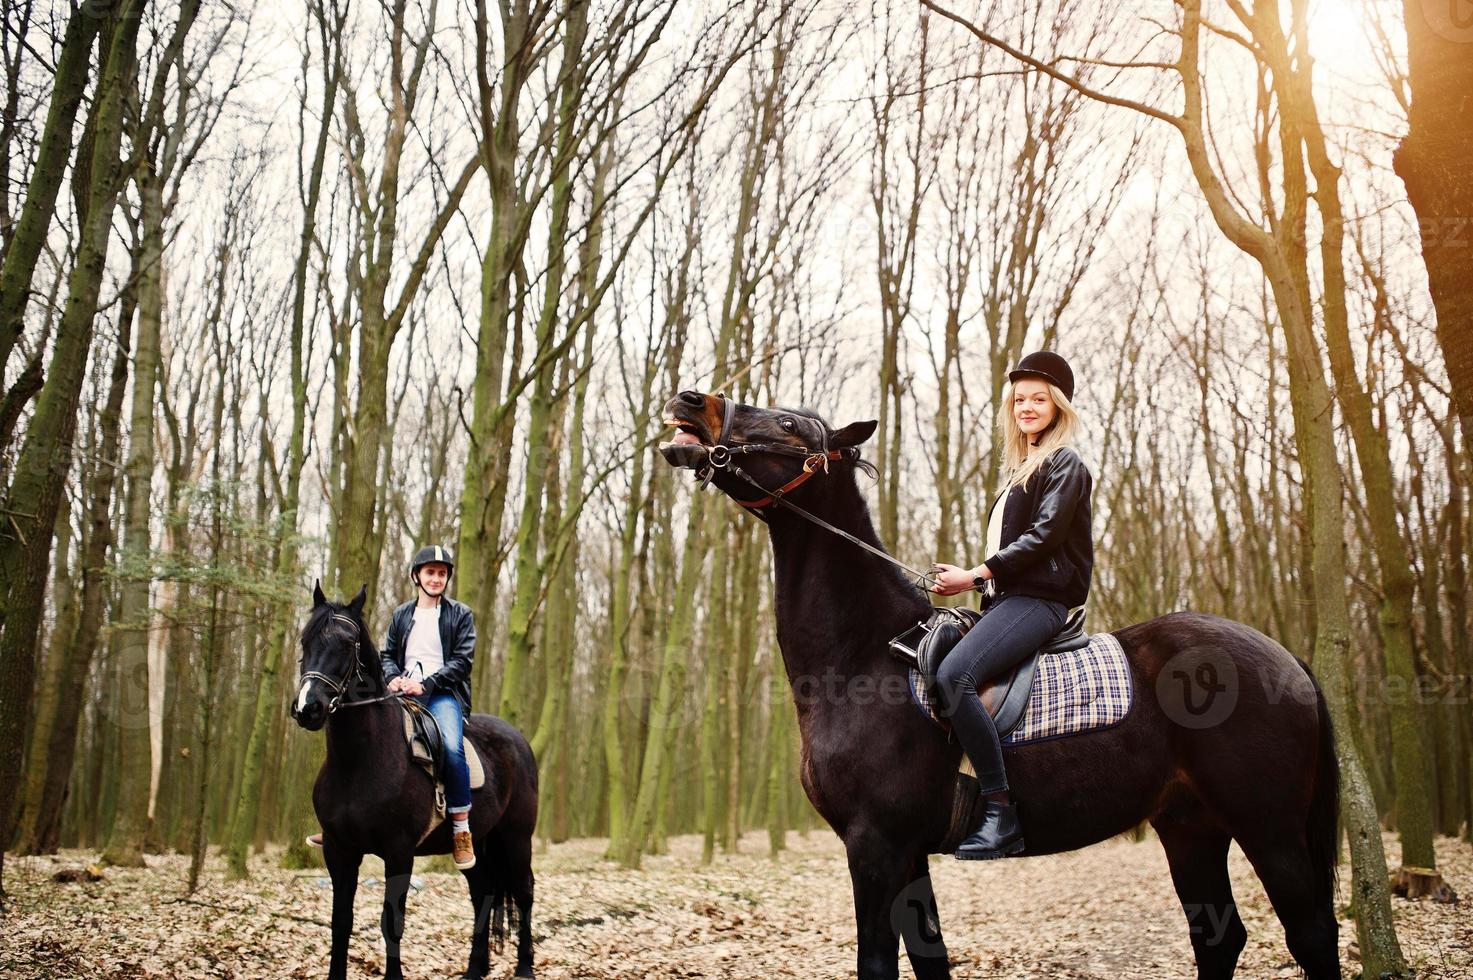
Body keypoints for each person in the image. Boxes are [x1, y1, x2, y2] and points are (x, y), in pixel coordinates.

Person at [929, 351, 1094, 860]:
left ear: (1058, 407)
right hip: (1009, 598)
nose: (1027, 407)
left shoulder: (1065, 464)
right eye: (1020, 399)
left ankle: (1000, 810)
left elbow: (1044, 538)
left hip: (1040, 601)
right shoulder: (1021, 468)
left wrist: (976, 575)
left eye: (1038, 399)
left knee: (953, 677)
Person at [307, 544, 479, 870]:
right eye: (430, 572)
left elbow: (462, 661)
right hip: (401, 693)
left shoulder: (460, 614)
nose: (436, 579)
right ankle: (338, 822)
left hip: (442, 695)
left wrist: (426, 684)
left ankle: (460, 827)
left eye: (442, 574)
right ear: (417, 576)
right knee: (363, 742)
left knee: (453, 749)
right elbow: (388, 655)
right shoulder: (402, 614)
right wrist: (392, 678)